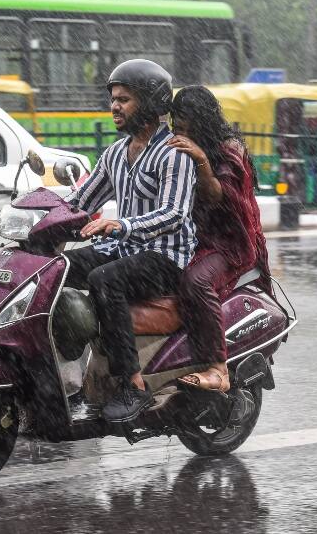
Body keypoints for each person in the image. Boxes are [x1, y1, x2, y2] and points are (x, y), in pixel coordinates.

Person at [64, 59, 197, 422]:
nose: (115, 106)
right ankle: (72, 379)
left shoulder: (174, 153)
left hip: (165, 257)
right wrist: (38, 213)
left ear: (150, 103)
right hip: (125, 249)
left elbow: (174, 214)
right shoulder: (114, 155)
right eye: (113, 99)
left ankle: (133, 385)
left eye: (124, 99)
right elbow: (78, 204)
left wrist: (119, 225)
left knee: (105, 279)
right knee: (55, 270)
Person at [168, 85, 272, 392]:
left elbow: (220, 198)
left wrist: (201, 159)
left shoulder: (228, 149)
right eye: (176, 119)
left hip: (230, 243)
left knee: (196, 282)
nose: (179, 126)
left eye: (185, 119)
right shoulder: (180, 145)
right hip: (194, 238)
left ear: (201, 120)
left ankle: (218, 368)